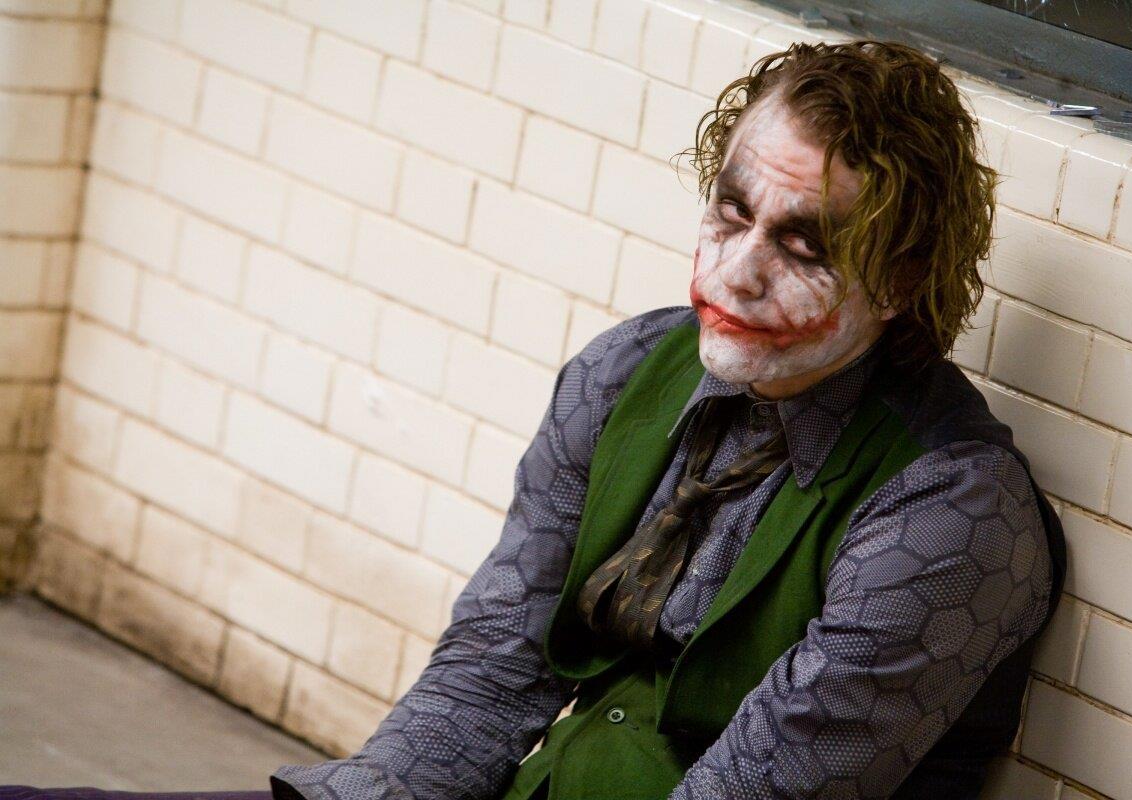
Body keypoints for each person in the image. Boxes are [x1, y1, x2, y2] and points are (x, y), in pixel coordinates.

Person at [4, 39, 1065, 800]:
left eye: (805, 245)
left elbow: (765, 787)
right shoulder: (627, 372)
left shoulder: (948, 515)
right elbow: (495, 666)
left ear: (903, 278)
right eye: (732, 210)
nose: (737, 271)